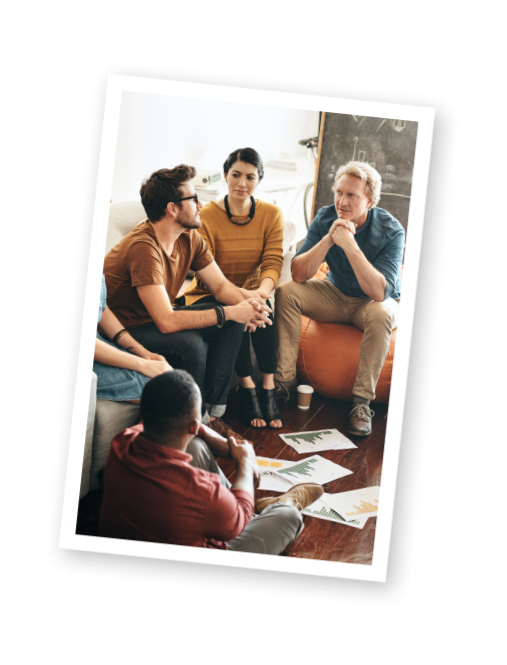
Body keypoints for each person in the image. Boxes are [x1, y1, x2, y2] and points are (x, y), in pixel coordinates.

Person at [103, 165, 272, 438]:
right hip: (125, 329)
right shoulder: (143, 248)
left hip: (156, 317)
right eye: (193, 199)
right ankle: (195, 423)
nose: (200, 204)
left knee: (234, 319)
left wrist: (253, 305)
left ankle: (211, 413)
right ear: (172, 208)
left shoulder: (189, 236)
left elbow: (220, 286)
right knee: (191, 344)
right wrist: (230, 312)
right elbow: (167, 322)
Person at [99, 370, 323, 554]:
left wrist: (228, 447)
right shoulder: (200, 489)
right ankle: (285, 503)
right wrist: (245, 461)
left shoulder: (123, 440)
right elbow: (240, 516)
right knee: (289, 517)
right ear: (193, 424)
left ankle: (253, 505)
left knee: (195, 446)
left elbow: (196, 431)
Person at [273, 161, 404, 437]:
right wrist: (330, 239)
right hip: (334, 294)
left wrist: (349, 244)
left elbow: (380, 292)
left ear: (369, 200)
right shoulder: (325, 217)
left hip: (370, 303)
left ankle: (361, 403)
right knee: (286, 291)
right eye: (339, 192)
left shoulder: (392, 230)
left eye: (352, 195)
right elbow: (298, 273)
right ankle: (284, 381)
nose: (342, 201)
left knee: (383, 312)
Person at [184, 148, 284, 429]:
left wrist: (260, 295)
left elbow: (273, 261)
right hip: (210, 291)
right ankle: (247, 385)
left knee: (265, 307)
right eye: (236, 175)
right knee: (238, 314)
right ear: (225, 175)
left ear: (259, 180)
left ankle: (268, 385)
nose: (242, 183)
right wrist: (249, 302)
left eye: (250, 177)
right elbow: (211, 274)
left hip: (254, 291)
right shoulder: (209, 215)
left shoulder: (272, 214)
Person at [94, 275, 172, 403]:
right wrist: (143, 365)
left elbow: (102, 309)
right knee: (162, 389)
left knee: (169, 380)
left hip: (99, 344)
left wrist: (144, 353)